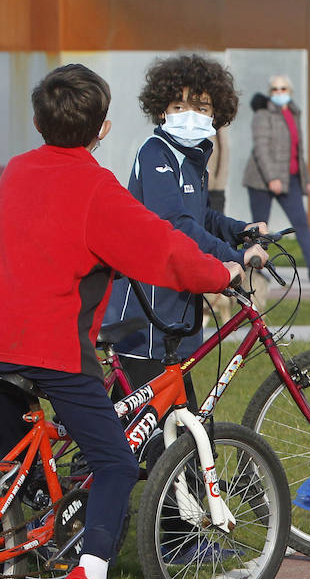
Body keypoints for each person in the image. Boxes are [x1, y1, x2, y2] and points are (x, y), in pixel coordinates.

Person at [0, 63, 241, 579]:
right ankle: (90, 575)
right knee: (114, 464)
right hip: (52, 348)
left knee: (17, 468)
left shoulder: (16, 171)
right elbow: (160, 247)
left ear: (37, 121)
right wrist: (221, 272)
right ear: (103, 128)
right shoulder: (95, 188)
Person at [104, 54, 268, 397]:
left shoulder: (194, 157)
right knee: (152, 423)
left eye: (202, 108)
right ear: (162, 110)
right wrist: (232, 256)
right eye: (179, 106)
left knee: (172, 420)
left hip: (177, 300)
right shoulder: (156, 152)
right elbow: (175, 221)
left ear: (216, 115)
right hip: (147, 304)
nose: (190, 116)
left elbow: (200, 214)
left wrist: (241, 230)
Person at [241, 75, 310, 282]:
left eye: (283, 89)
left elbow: (297, 151)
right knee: (259, 229)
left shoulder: (293, 113)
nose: (279, 93)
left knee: (301, 222)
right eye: (274, 89)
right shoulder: (263, 115)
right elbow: (261, 149)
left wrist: (304, 180)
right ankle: (248, 268)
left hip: (289, 178)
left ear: (289, 91)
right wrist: (272, 178)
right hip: (262, 181)